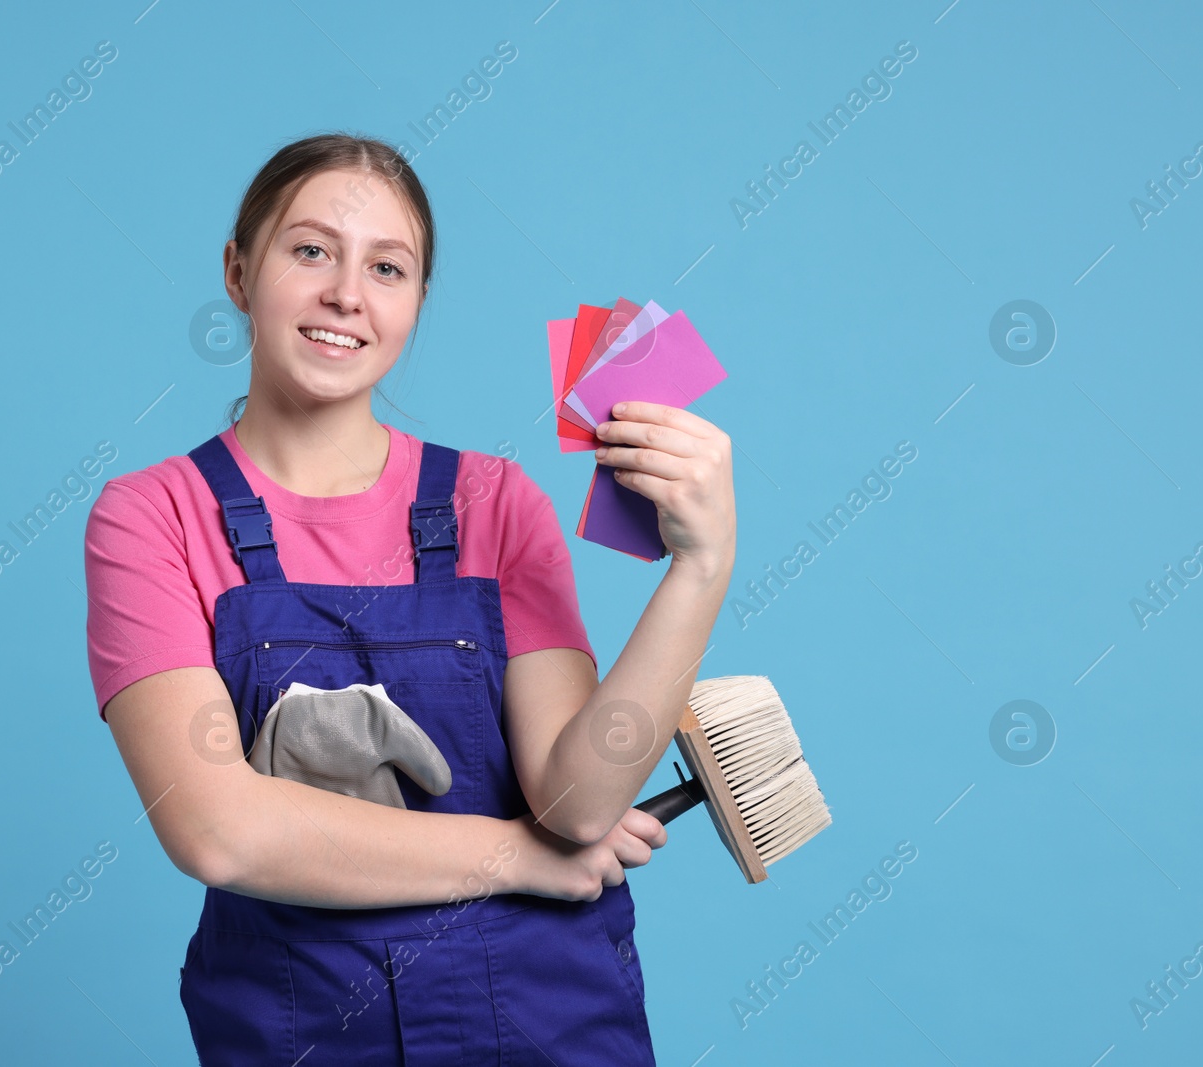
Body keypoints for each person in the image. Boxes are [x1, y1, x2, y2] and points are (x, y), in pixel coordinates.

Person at [84, 131, 736, 1065]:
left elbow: (580, 806)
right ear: (238, 272)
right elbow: (218, 830)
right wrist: (513, 856)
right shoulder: (153, 518)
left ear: (416, 304)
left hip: (548, 1019)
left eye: (387, 268)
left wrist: (701, 566)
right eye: (310, 250)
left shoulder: (494, 502)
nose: (347, 292)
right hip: (307, 1031)